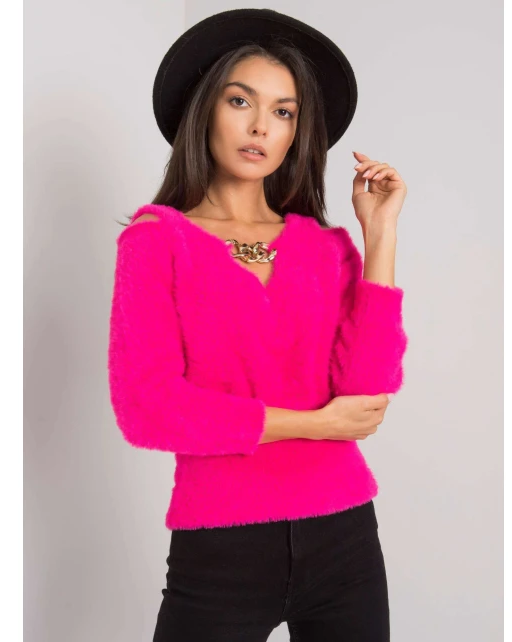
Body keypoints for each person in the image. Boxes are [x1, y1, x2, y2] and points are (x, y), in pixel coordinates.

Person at [107, 9, 409, 642]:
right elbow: (148, 408)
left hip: (345, 537)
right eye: (240, 100)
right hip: (222, 546)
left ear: (297, 131)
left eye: (283, 111)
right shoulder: (157, 241)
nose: (259, 127)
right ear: (205, 110)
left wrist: (378, 236)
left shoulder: (324, 247)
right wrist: (313, 425)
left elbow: (365, 393)